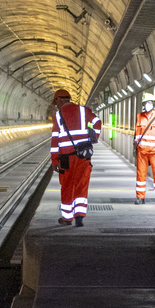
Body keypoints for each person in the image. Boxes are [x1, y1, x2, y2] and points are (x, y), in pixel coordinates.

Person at [50, 88, 101, 226]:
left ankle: (67, 217)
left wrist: (54, 160)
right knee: (81, 184)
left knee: (67, 186)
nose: (56, 105)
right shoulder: (84, 110)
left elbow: (55, 140)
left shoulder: (58, 115)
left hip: (65, 157)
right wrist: (93, 138)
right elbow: (97, 122)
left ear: (59, 100)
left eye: (56, 102)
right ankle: (79, 216)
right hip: (83, 155)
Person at [134, 92, 155, 204]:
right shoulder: (139, 117)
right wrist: (135, 148)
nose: (147, 105)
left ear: (153, 104)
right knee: (140, 174)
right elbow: (136, 134)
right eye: (145, 103)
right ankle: (140, 197)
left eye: (149, 102)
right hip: (142, 151)